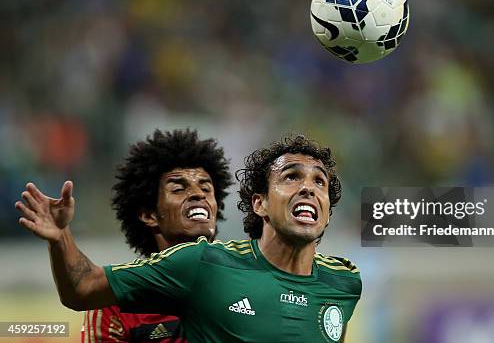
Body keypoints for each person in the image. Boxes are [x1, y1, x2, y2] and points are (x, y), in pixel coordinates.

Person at [16, 135, 361, 342]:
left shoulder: (344, 283)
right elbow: (81, 289)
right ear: (260, 204)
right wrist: (60, 236)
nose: (308, 188)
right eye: (291, 176)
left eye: (320, 182)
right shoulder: (205, 267)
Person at [21, 129, 233, 342]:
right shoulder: (113, 305)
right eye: (178, 188)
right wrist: (60, 237)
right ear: (149, 215)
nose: (198, 194)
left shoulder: (246, 279)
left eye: (206, 188)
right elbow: (80, 288)